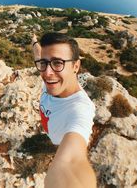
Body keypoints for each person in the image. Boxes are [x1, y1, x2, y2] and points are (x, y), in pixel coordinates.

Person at [32, 32, 96, 188]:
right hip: (50, 134)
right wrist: (34, 40)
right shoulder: (51, 81)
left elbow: (71, 162)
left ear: (75, 66)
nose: (47, 73)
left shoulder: (80, 109)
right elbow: (38, 55)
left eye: (58, 63)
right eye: (44, 63)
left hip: (59, 144)